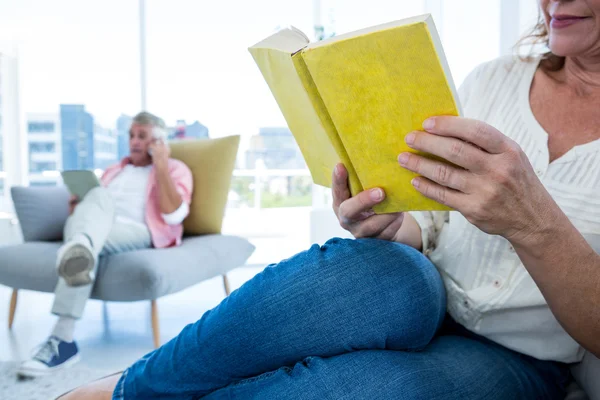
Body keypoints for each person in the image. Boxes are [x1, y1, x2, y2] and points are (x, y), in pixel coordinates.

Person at [62, 0, 600, 398]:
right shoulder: (493, 81)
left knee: (355, 389)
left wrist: (534, 223)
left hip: (525, 356)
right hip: (429, 289)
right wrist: (397, 227)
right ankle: (132, 389)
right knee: (372, 271)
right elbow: (435, 225)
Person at [17, 112, 193, 378]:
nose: (134, 141)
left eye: (142, 136)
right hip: (96, 227)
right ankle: (80, 248)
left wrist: (161, 164)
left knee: (82, 243)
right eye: (131, 135)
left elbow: (173, 216)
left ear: (158, 141)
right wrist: (79, 205)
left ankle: (62, 338)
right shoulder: (114, 170)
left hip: (137, 229)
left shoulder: (175, 169)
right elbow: (90, 210)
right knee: (94, 203)